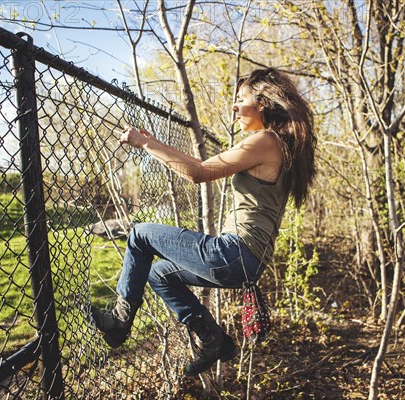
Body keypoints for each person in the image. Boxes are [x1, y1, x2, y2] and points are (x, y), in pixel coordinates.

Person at [90, 68, 316, 376]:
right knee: (160, 274)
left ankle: (118, 321)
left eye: (241, 99)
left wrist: (143, 145)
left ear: (262, 103)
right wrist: (155, 144)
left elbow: (198, 173)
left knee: (140, 234)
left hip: (234, 252)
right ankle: (214, 340)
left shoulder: (265, 141)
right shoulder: (279, 145)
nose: (235, 107)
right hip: (247, 262)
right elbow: (199, 165)